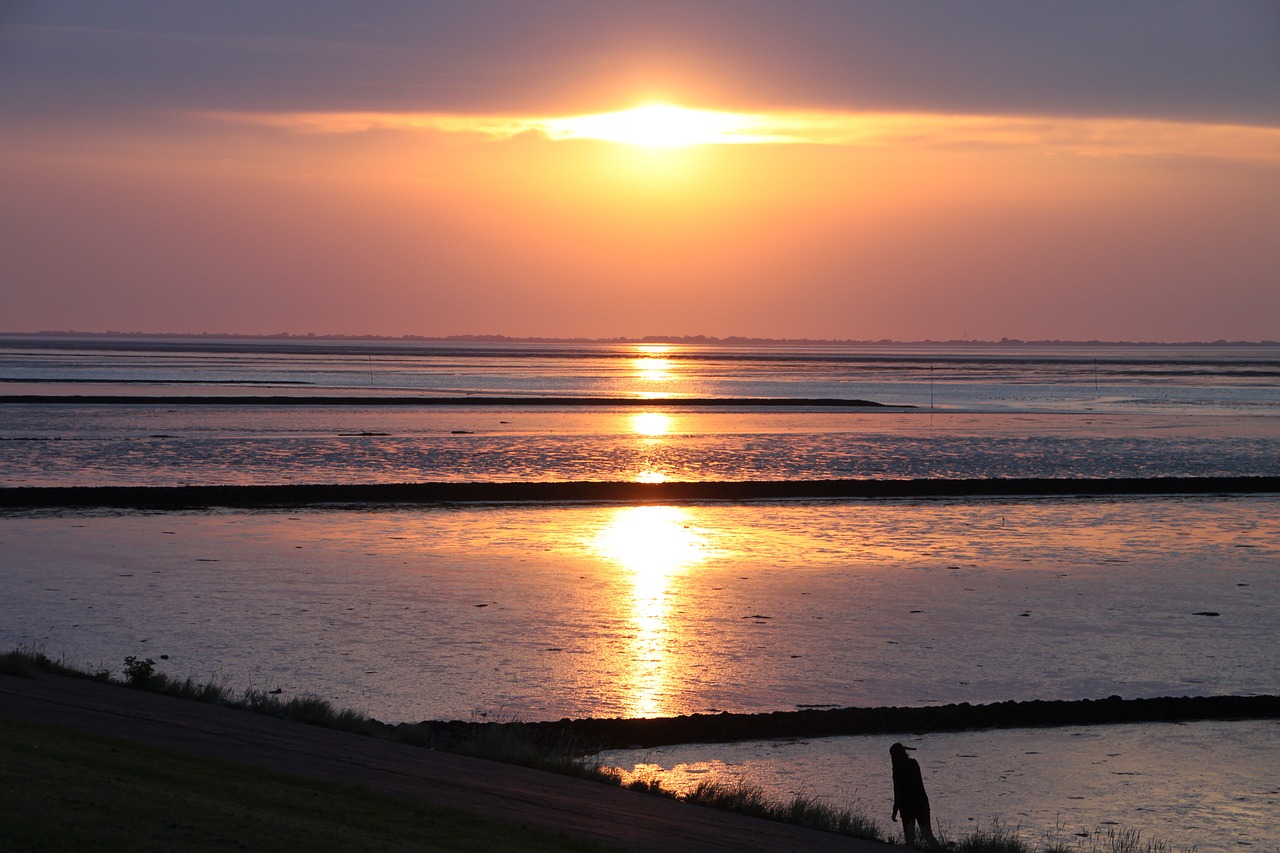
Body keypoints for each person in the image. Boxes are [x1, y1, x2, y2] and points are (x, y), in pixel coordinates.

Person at [890, 742, 941, 850]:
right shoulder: (914, 763)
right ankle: (941, 851)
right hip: (922, 803)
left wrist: (895, 810)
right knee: (927, 834)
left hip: (907, 807)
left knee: (910, 839)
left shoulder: (897, 768)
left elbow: (898, 790)